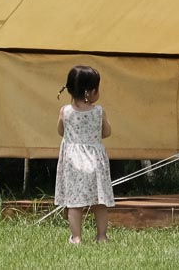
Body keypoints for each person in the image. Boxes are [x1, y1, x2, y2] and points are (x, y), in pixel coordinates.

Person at [55, 65, 114, 244]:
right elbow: (107, 132)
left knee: (74, 203)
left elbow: (60, 131)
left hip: (73, 163)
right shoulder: (98, 111)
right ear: (91, 91)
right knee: (100, 202)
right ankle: (102, 236)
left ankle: (76, 237)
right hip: (95, 162)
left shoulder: (65, 111)